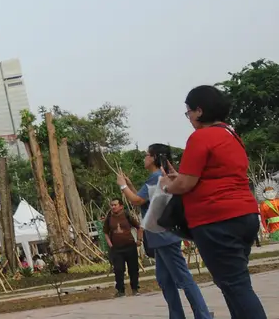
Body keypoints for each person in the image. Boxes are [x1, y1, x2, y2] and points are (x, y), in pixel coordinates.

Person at [161, 85, 267, 319]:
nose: (188, 117)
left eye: (188, 112)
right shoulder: (230, 134)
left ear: (199, 111)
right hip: (245, 215)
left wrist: (167, 186)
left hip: (217, 219)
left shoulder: (201, 137)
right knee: (233, 283)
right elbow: (213, 174)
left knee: (236, 285)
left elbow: (186, 184)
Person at [117, 144, 212, 319]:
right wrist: (130, 185)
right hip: (158, 236)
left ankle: (203, 315)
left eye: (147, 155)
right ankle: (177, 315)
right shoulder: (155, 177)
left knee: (183, 278)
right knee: (165, 280)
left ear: (153, 157)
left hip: (164, 236)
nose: (144, 158)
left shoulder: (156, 176)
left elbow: (137, 200)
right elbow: (145, 200)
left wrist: (123, 187)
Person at [102, 199, 141, 297]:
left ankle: (135, 288)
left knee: (133, 269)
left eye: (115, 205)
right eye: (112, 205)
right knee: (118, 269)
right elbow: (106, 232)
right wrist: (110, 244)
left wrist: (139, 240)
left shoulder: (127, 216)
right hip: (117, 249)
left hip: (130, 246)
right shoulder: (109, 218)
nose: (113, 207)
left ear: (121, 206)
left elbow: (139, 227)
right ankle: (120, 290)